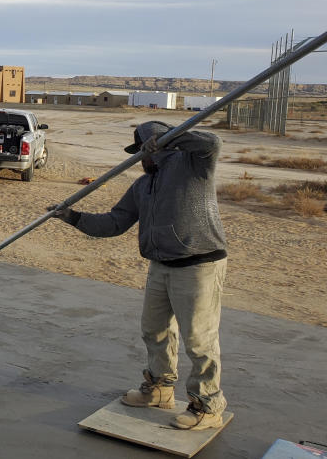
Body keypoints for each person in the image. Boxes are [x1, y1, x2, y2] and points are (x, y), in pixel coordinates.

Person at [48, 121, 228, 431]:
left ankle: (208, 405)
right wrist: (72, 217)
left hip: (198, 264)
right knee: (154, 331)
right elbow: (114, 223)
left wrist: (173, 139)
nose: (139, 159)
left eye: (142, 151)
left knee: (199, 340)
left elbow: (212, 142)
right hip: (160, 265)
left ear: (156, 148)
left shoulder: (193, 167)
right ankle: (159, 389)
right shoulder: (142, 187)